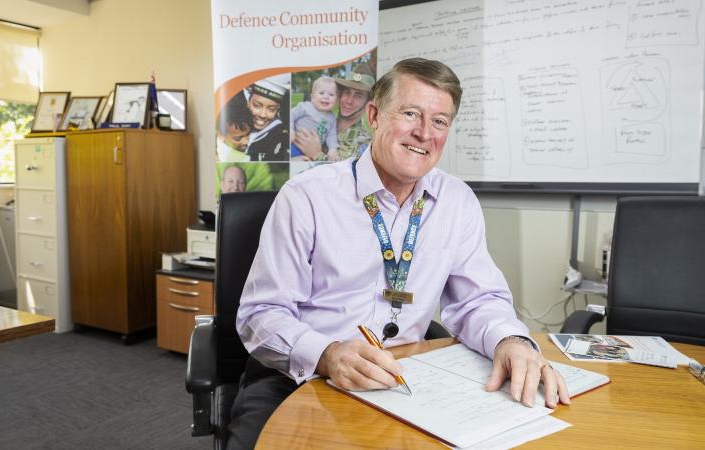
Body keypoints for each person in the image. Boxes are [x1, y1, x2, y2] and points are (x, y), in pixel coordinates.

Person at [228, 58, 570, 450]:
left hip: (405, 374)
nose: (425, 133)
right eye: (411, 114)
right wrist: (326, 355)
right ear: (374, 115)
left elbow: (478, 299)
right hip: (297, 374)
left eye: (440, 121)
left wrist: (509, 340)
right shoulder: (307, 197)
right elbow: (261, 314)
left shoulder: (457, 202)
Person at [293, 63, 374, 161]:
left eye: (358, 96)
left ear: (367, 103)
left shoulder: (364, 141)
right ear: (339, 95)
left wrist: (317, 155)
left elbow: (347, 173)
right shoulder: (325, 120)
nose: (349, 101)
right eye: (347, 92)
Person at [289, 76, 340, 161]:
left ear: (336, 100)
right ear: (312, 97)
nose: (326, 97)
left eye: (331, 94)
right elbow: (290, 114)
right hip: (295, 144)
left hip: (313, 152)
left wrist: (332, 149)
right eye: (321, 93)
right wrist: (290, 129)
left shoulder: (332, 118)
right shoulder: (305, 107)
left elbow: (332, 135)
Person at [245, 79, 289, 162]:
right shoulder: (234, 124)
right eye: (257, 106)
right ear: (248, 102)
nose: (263, 115)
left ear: (277, 110)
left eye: (271, 109)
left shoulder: (280, 137)